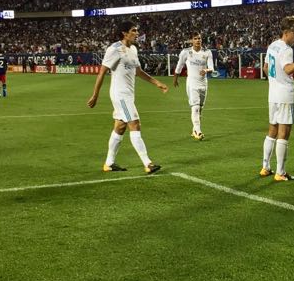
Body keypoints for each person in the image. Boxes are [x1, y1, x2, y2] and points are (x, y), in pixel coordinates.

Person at [87, 20, 168, 174]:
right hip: (120, 95)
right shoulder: (114, 49)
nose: (137, 33)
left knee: (120, 127)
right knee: (135, 124)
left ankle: (109, 163)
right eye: (134, 30)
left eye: (137, 31)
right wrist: (95, 94)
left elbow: (138, 72)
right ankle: (147, 163)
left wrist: (156, 83)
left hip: (128, 94)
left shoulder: (133, 50)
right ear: (124, 33)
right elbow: (102, 71)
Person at [260, 15, 294, 181]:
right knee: (283, 134)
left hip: (273, 95)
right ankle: (280, 172)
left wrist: (275, 81)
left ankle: (265, 167)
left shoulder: (272, 46)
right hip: (285, 95)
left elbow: (265, 68)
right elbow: (288, 69)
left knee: (272, 131)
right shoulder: (286, 49)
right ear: (286, 32)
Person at [173, 33, 215, 140]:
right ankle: (198, 131)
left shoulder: (207, 52)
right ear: (192, 40)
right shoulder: (186, 52)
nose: (197, 40)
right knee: (195, 106)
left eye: (199, 38)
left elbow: (211, 68)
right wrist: (175, 79)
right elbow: (179, 66)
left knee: (200, 108)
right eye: (195, 38)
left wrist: (206, 70)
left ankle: (194, 129)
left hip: (203, 83)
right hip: (192, 83)